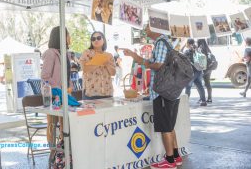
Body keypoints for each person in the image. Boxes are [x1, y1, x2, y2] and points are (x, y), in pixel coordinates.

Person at [122, 25, 182, 169]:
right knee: (170, 126)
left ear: (156, 29)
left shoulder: (161, 43)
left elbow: (159, 65)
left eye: (147, 28)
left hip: (162, 92)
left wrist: (140, 60)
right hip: (171, 91)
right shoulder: (166, 42)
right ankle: (175, 156)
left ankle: (169, 161)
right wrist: (136, 57)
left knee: (165, 128)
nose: (145, 31)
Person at [41, 26, 71, 165]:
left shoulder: (66, 53)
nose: (69, 37)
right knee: (52, 124)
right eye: (67, 34)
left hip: (65, 95)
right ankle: (52, 152)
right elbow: (45, 75)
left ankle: (62, 150)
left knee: (65, 124)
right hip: (53, 96)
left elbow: (66, 74)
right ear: (60, 37)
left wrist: (68, 87)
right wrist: (57, 90)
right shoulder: (51, 53)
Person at [80, 31, 116, 100]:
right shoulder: (86, 53)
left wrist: (107, 64)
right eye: (93, 39)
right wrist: (98, 62)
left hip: (107, 92)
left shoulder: (109, 55)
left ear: (104, 40)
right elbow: (84, 69)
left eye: (98, 38)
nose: (96, 40)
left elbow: (113, 73)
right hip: (91, 93)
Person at [184, 39, 207, 106]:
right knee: (199, 85)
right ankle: (203, 101)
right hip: (199, 70)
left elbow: (185, 61)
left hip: (191, 71)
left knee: (188, 87)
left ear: (188, 43)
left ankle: (185, 103)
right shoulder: (197, 50)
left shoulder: (187, 51)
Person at [197, 39, 213, 103]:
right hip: (209, 68)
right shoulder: (208, 49)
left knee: (198, 84)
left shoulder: (200, 49)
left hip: (203, 68)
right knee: (208, 83)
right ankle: (209, 98)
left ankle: (202, 98)